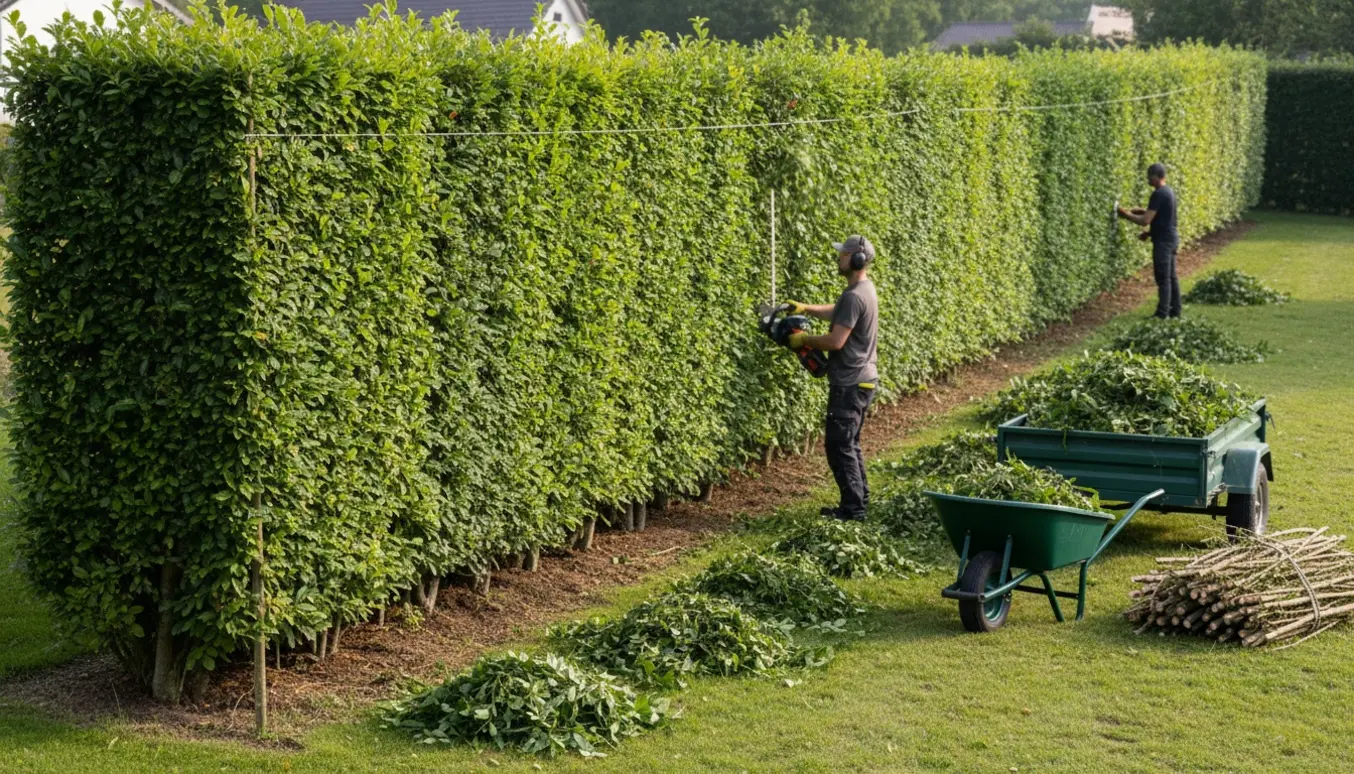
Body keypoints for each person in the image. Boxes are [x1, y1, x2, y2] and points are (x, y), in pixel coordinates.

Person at [785, 235, 880, 521]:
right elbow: (840, 314)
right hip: (863, 379)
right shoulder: (864, 289)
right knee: (849, 442)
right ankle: (859, 500)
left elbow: (837, 340)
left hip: (850, 383)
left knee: (838, 446)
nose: (838, 258)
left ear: (856, 259)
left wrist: (804, 340)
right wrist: (805, 308)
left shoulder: (854, 295)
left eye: (843, 255)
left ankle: (853, 511)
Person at [1118, 162, 1181, 319]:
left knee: (1163, 278)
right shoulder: (1169, 191)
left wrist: (1125, 214)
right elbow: (1162, 217)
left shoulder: (1158, 194)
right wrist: (1150, 233)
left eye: (1149, 176)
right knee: (1171, 277)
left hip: (1164, 243)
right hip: (1171, 238)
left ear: (1155, 176)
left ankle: (1162, 314)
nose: (1147, 179)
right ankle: (1175, 311)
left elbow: (1145, 220)